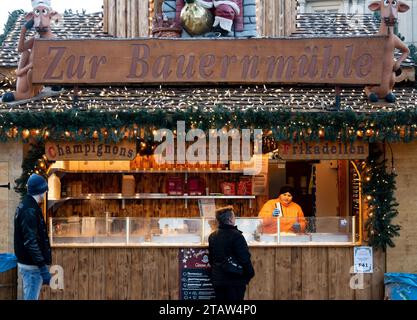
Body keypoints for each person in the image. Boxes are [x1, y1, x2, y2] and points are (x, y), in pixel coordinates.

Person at [14, 173, 52, 300]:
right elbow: (31, 241)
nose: (46, 192)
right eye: (44, 189)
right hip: (32, 268)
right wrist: (42, 267)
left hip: (30, 265)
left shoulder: (26, 205)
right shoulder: (29, 210)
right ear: (40, 190)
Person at [208, 206, 255, 300]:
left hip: (218, 279)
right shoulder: (237, 236)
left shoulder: (212, 236)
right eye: (234, 216)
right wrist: (250, 273)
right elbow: (244, 258)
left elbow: (211, 258)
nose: (235, 218)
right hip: (234, 280)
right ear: (230, 219)